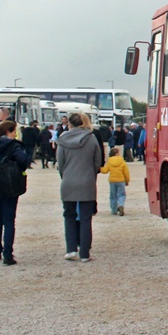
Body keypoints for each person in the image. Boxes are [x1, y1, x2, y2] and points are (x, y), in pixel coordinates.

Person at [0, 120, 31, 265]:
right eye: (14, 131)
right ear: (8, 132)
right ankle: (8, 254)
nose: (15, 133)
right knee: (9, 221)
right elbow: (24, 161)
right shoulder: (13, 145)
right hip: (9, 184)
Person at [56, 112, 102, 262]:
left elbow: (60, 163)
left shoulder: (62, 139)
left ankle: (70, 249)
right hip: (87, 180)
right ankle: (84, 253)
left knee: (69, 216)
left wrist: (66, 175)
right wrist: (91, 174)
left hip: (68, 181)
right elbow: (97, 161)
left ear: (69, 123)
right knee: (85, 218)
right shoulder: (91, 138)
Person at [100, 147, 130, 215]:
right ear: (117, 154)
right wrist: (127, 180)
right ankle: (120, 205)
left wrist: (99, 168)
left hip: (112, 181)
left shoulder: (109, 161)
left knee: (113, 196)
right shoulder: (122, 161)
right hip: (121, 180)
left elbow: (105, 171)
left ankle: (114, 210)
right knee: (121, 194)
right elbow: (126, 172)